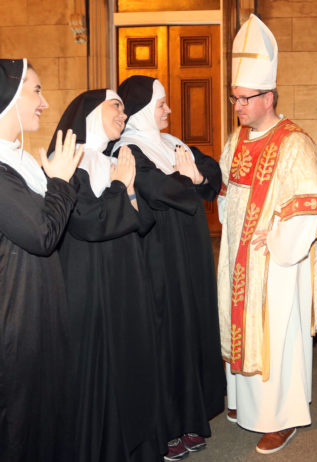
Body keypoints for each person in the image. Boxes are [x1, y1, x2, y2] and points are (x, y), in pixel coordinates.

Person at [217, 14, 317, 455]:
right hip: (238, 255)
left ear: (269, 96)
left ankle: (282, 419)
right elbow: (227, 192)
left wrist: (276, 238)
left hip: (275, 264)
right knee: (237, 323)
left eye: (244, 99)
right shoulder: (238, 138)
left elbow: (309, 207)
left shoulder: (295, 143)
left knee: (275, 335)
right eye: (235, 98)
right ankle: (244, 404)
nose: (238, 106)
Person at [48, 90, 163, 462]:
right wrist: (120, 187)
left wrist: (128, 187)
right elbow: (89, 223)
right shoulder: (69, 163)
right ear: (89, 111)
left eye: (127, 109)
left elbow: (143, 220)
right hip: (89, 287)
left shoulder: (110, 160)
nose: (124, 114)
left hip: (123, 282)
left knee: (127, 367)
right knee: (96, 375)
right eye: (116, 105)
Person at [115, 75, 225, 461]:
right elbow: (158, 192)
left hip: (190, 253)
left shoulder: (173, 143)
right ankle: (164, 427)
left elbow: (213, 171)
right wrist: (190, 178)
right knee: (165, 336)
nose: (169, 111)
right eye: (162, 105)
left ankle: (189, 418)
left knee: (190, 330)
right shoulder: (127, 149)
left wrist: (196, 176)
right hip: (157, 257)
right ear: (143, 109)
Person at [0, 59, 82, 462]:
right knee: (20, 423)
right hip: (15, 322)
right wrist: (61, 183)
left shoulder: (20, 162)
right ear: (10, 98)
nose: (44, 102)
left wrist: (54, 183)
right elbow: (42, 235)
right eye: (35, 91)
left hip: (38, 310)